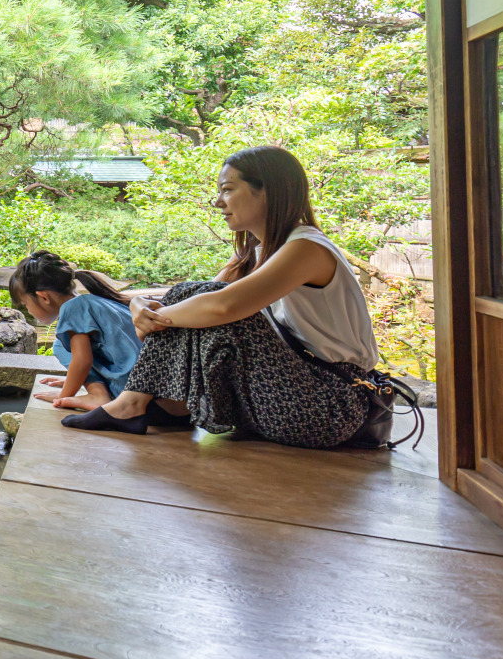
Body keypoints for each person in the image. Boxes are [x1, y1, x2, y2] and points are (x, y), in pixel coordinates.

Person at [53, 145, 386, 447]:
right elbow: (192, 308)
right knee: (194, 295)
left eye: (227, 190)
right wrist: (140, 305)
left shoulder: (306, 248)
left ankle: (136, 405)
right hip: (287, 395)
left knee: (208, 298)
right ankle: (159, 405)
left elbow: (221, 305)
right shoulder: (254, 253)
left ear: (267, 191)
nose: (218, 202)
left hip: (330, 405)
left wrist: (154, 316)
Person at [7, 251, 146, 416]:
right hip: (150, 386)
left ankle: (97, 395)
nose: (27, 310)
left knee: (60, 347)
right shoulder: (94, 301)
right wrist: (74, 381)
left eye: (25, 304)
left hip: (133, 392)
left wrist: (64, 395)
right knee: (61, 344)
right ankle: (97, 390)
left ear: (43, 297)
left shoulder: (72, 308)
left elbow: (82, 361)